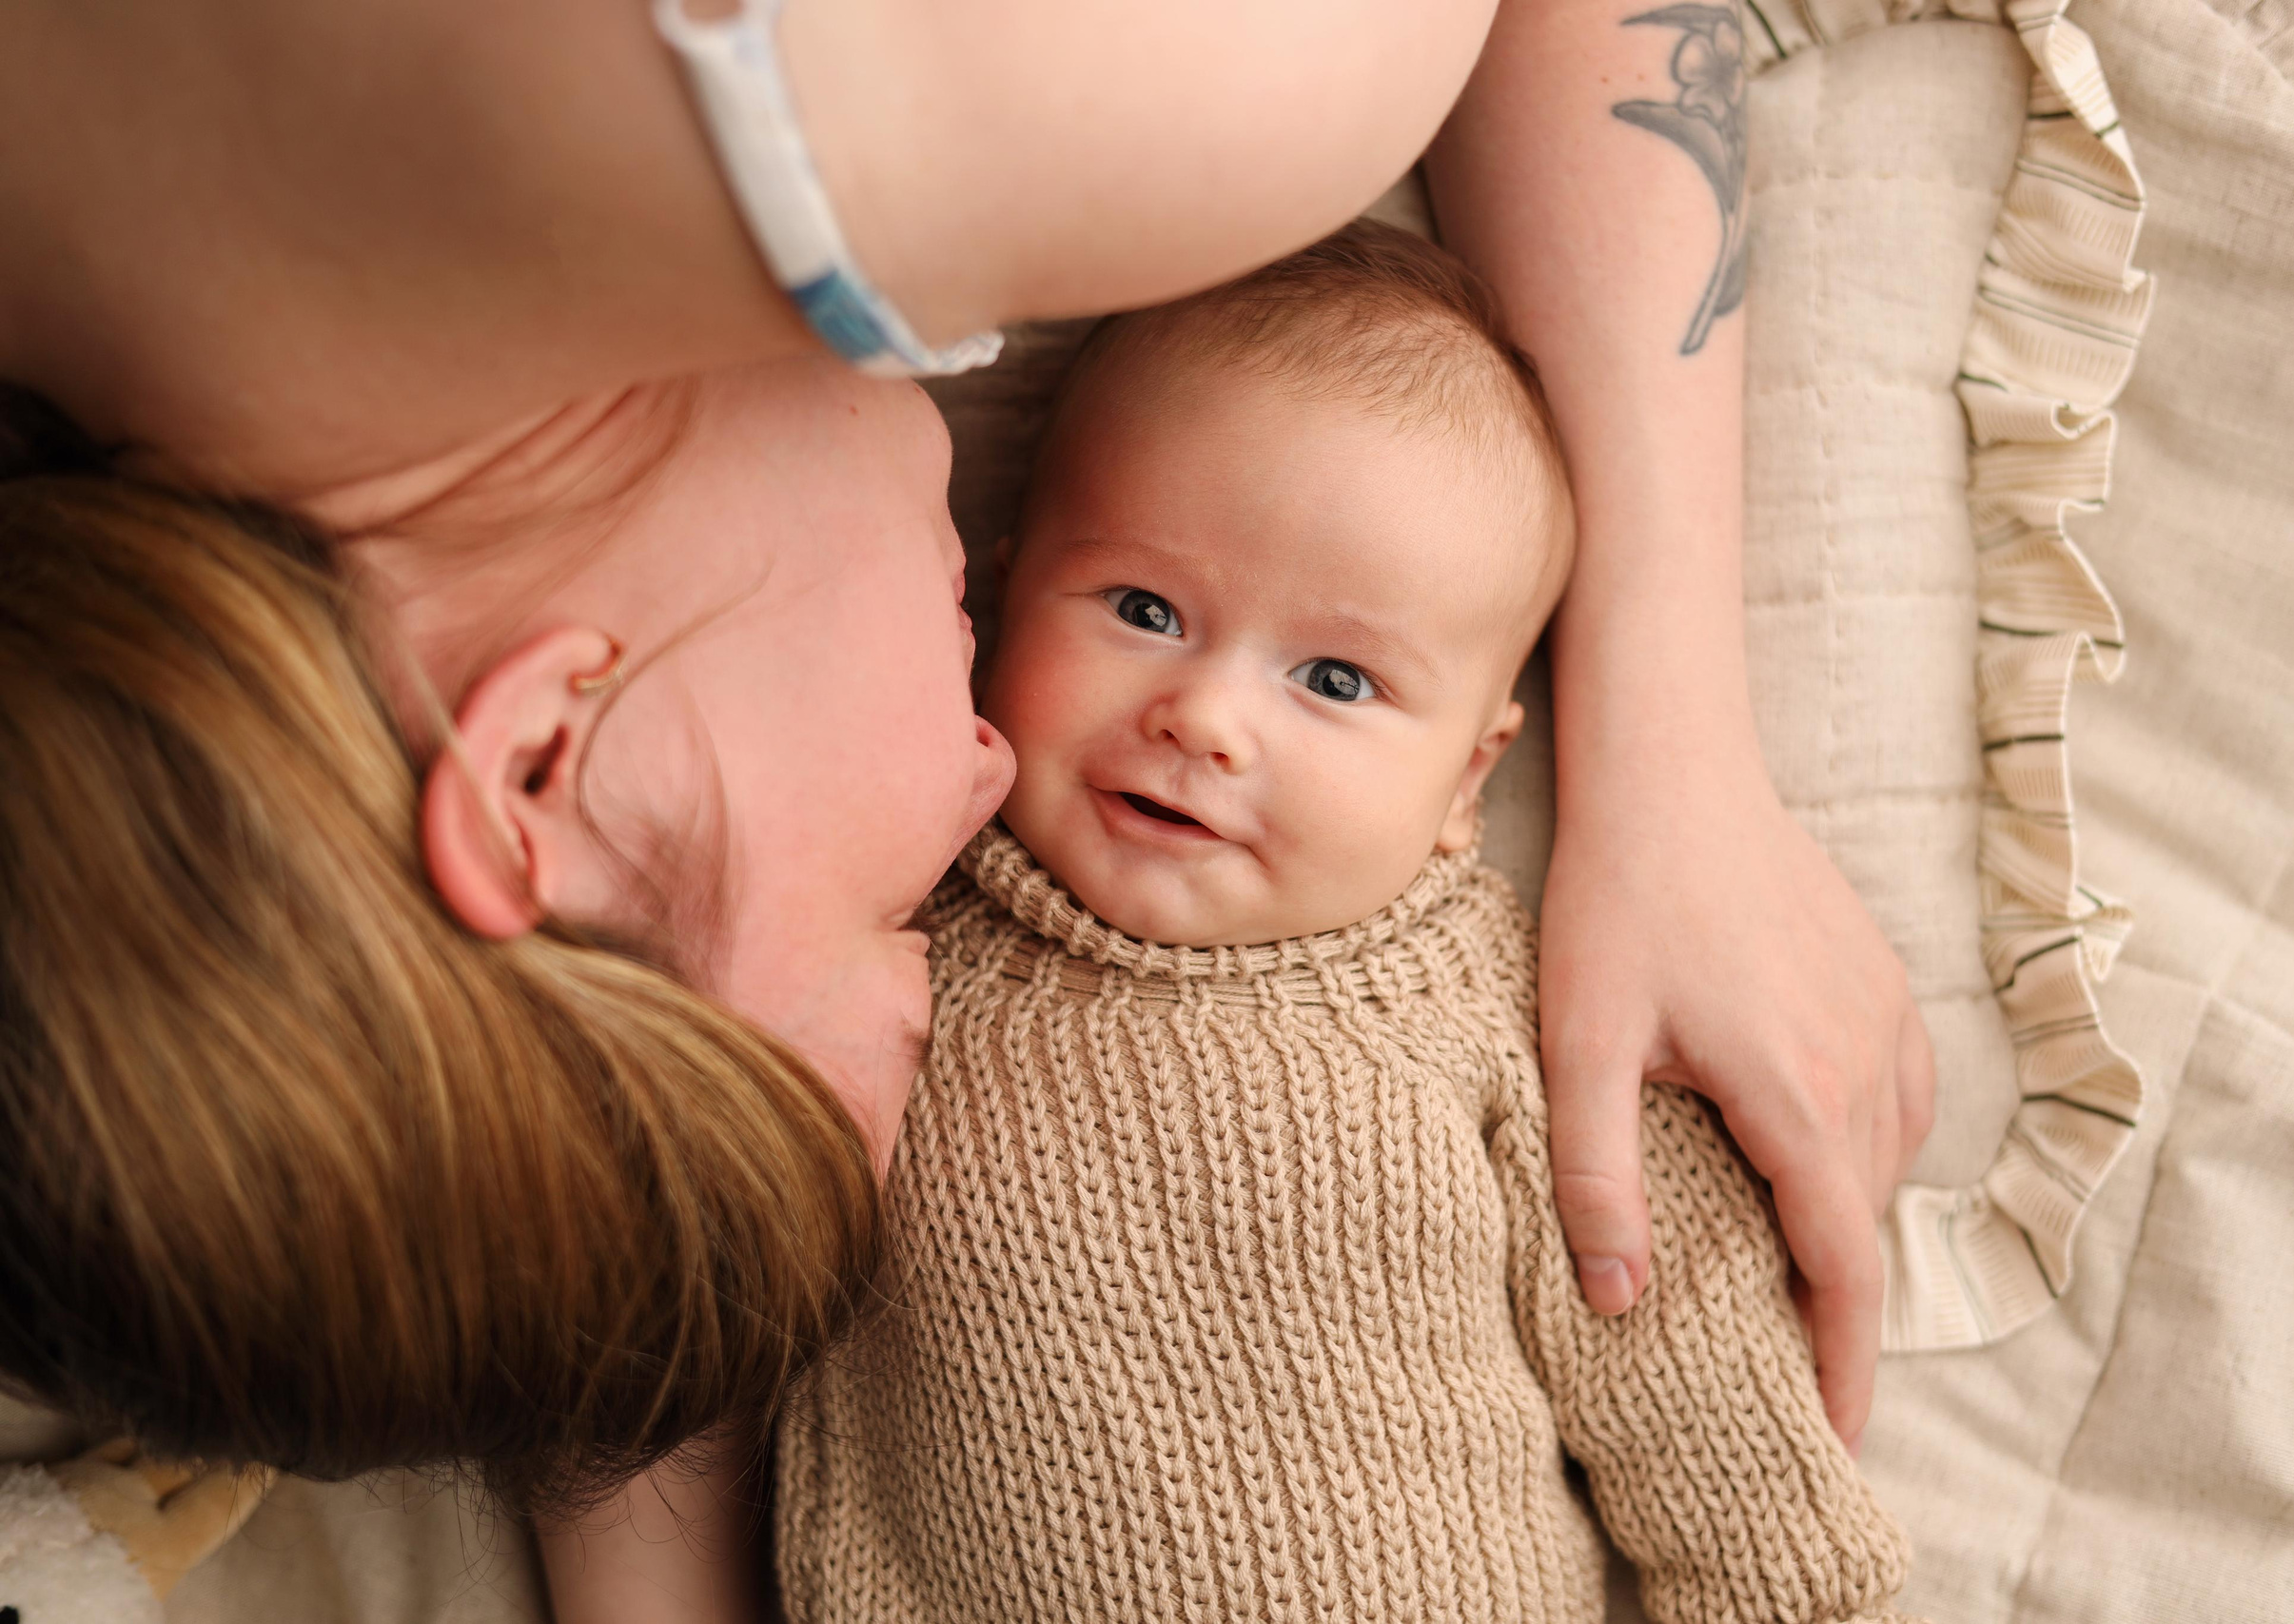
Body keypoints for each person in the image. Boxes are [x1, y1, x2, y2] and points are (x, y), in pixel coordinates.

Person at [0, 0, 1926, 1534]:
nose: (986, 770)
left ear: (532, 766)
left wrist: (1670, 746)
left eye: (870, 914)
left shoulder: (1094, 91)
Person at [567, 221, 1917, 1624]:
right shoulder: (885, 935)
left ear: (1470, 777)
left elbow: (1682, 1356)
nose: (1204, 720)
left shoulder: (1499, 1009)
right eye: (1144, 608)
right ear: (999, 594)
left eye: (1334, 680)